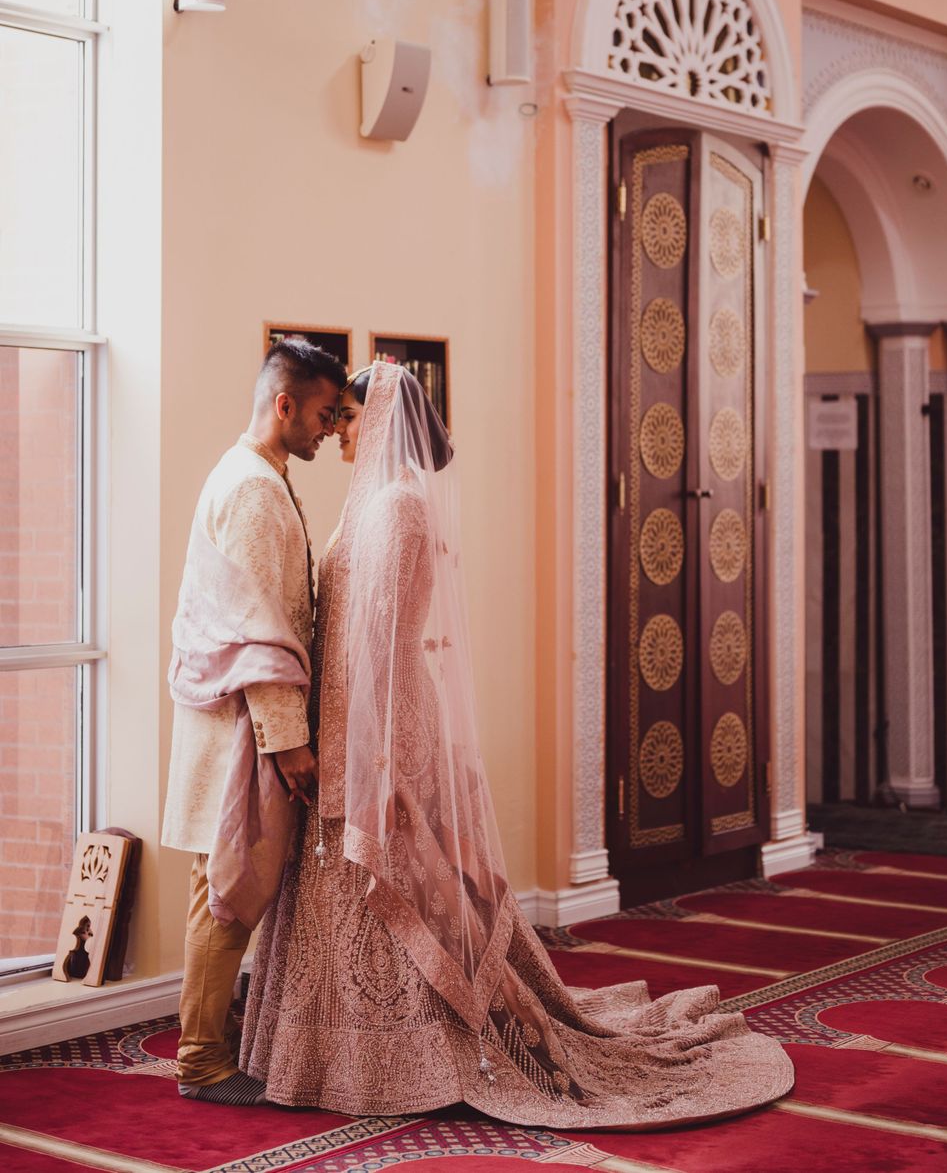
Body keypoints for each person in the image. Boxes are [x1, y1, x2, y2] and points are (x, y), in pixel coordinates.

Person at [242, 360, 793, 1126]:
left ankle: (418, 1050)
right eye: (334, 417)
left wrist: (364, 745)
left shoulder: (399, 508)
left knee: (397, 872)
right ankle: (335, 1051)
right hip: (348, 713)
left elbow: (381, 641)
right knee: (345, 883)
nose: (338, 430)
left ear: (384, 422)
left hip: (385, 717)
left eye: (350, 417)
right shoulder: (366, 504)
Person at [162, 337, 346, 1105]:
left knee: (221, 884)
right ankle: (201, 1062)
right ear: (285, 404)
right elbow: (258, 631)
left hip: (237, 723)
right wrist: (288, 742)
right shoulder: (256, 491)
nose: (329, 430)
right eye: (323, 415)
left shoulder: (252, 474)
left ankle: (209, 1042)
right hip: (243, 728)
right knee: (227, 889)